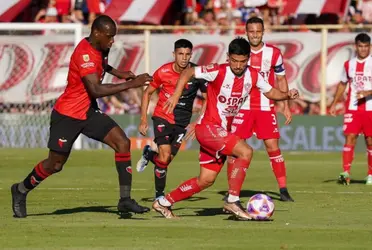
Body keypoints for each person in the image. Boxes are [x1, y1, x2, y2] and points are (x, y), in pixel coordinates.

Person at [10, 15, 152, 218]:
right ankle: (20, 190)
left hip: (88, 111)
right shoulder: (84, 54)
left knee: (122, 143)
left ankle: (125, 200)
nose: (113, 41)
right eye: (110, 37)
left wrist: (118, 72)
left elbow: (101, 65)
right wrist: (132, 83)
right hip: (68, 114)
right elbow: (95, 89)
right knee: (55, 165)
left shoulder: (101, 46)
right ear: (97, 33)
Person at [151, 37, 299, 220]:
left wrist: (286, 95)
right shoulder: (217, 70)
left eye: (242, 61)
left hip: (220, 131)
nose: (238, 65)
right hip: (208, 127)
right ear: (228, 57)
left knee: (206, 180)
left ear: (248, 59)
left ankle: (164, 202)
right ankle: (233, 200)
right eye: (234, 60)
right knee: (245, 151)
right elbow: (188, 72)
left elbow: (270, 91)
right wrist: (176, 95)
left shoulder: (253, 75)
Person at [230, 17, 294, 202]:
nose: (255, 34)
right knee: (235, 149)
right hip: (243, 107)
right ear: (246, 32)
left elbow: (281, 80)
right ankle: (233, 191)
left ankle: (283, 190)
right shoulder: (240, 52)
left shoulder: (273, 53)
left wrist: (285, 106)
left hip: (266, 107)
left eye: (258, 31)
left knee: (273, 148)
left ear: (263, 31)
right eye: (251, 31)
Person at [136, 39, 207, 199]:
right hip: (162, 116)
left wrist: (199, 121)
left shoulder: (198, 73)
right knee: (165, 154)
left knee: (164, 161)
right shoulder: (163, 72)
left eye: (187, 54)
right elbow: (147, 92)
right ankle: (160, 196)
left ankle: (148, 154)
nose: (184, 58)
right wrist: (143, 119)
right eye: (180, 54)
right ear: (174, 54)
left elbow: (206, 98)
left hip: (182, 122)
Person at [329, 33, 372, 185]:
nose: (363, 49)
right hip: (352, 108)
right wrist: (334, 103)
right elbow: (342, 83)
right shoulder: (349, 64)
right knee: (350, 137)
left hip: (370, 109)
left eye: (366, 46)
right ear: (356, 46)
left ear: (370, 47)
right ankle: (346, 172)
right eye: (360, 46)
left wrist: (369, 92)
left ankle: (370, 175)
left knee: (370, 141)